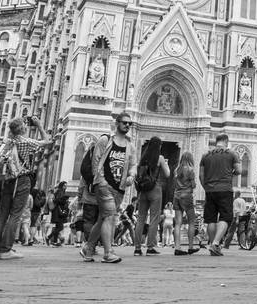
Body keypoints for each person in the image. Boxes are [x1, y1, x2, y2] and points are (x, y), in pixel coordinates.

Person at [0, 116, 49, 260]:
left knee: (3, 214)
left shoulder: (6, 142)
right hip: (22, 179)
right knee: (15, 215)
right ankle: (5, 249)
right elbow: (46, 142)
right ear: (23, 129)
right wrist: (40, 125)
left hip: (8, 180)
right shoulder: (25, 142)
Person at [81, 112, 138, 264]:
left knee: (103, 219)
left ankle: (88, 248)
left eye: (129, 123)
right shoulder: (105, 140)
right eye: (124, 122)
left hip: (119, 189)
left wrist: (132, 175)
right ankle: (108, 252)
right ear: (117, 123)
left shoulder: (130, 147)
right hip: (104, 186)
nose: (127, 125)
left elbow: (133, 165)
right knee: (110, 217)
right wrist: (100, 181)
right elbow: (96, 161)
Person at [198, 133, 241, 256]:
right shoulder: (232, 153)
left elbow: (201, 175)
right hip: (225, 189)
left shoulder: (205, 155)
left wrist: (206, 187)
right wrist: (231, 173)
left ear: (216, 141)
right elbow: (238, 170)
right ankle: (216, 244)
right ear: (226, 141)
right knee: (225, 217)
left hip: (210, 190)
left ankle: (212, 243)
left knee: (211, 219)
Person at [134, 136, 170, 255]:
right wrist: (166, 163)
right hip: (155, 189)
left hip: (143, 190)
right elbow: (168, 174)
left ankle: (137, 249)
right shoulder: (160, 158)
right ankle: (150, 247)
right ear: (159, 146)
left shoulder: (143, 158)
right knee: (154, 218)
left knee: (140, 218)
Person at [172, 151, 198, 255]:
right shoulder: (191, 170)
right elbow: (193, 185)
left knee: (178, 223)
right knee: (191, 221)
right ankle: (190, 247)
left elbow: (174, 184)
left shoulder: (176, 170)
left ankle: (177, 247)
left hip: (176, 196)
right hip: (186, 196)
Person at [48, 181, 70, 246]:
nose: (65, 187)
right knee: (60, 227)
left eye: (66, 186)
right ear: (61, 186)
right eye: (64, 186)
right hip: (57, 211)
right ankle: (50, 238)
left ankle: (54, 241)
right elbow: (56, 200)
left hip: (58, 211)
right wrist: (64, 200)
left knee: (58, 227)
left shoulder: (61, 191)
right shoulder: (59, 191)